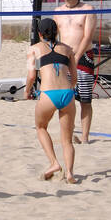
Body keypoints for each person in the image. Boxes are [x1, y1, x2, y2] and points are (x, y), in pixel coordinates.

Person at [25, 17, 78, 182]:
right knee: (67, 139)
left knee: (41, 127)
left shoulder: (34, 49)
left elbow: (32, 76)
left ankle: (54, 163)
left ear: (39, 34)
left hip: (48, 94)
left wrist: (27, 91)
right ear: (57, 32)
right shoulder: (68, 49)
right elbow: (74, 77)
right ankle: (69, 173)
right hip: (67, 94)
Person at [54, 0, 99, 144]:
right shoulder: (58, 11)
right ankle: (69, 133)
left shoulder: (88, 9)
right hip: (64, 58)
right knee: (65, 100)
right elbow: (55, 37)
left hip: (83, 57)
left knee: (85, 99)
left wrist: (77, 56)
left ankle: (85, 137)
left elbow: (88, 36)